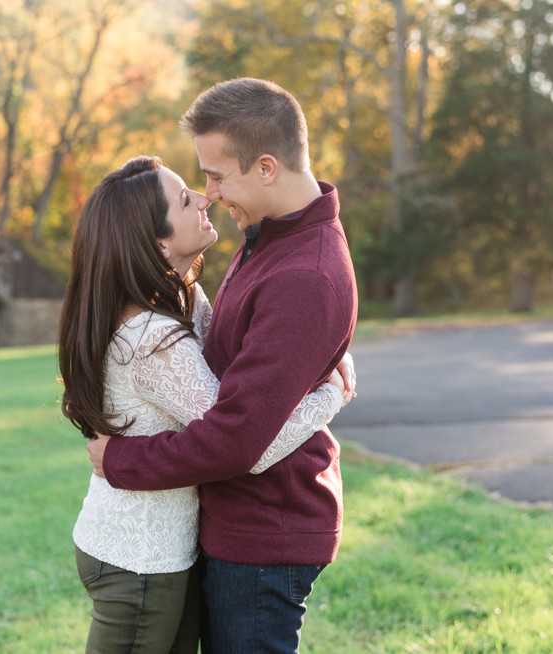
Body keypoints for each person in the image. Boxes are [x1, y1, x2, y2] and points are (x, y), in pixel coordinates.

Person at [88, 79, 358, 653]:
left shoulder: (304, 275)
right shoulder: (265, 235)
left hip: (266, 534)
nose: (208, 193)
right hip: (232, 525)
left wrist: (123, 460)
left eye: (214, 175)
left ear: (266, 167)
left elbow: (241, 442)